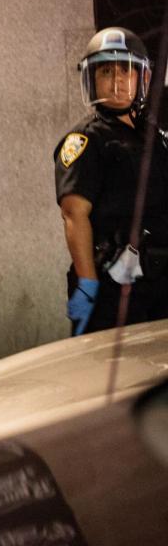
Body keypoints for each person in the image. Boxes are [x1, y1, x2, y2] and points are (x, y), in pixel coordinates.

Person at [55, 26, 168, 335]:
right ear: (93, 78)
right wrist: (88, 282)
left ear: (141, 78)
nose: (117, 81)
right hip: (112, 285)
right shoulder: (85, 139)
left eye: (126, 71)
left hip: (159, 284)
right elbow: (73, 214)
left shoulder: (155, 138)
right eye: (106, 71)